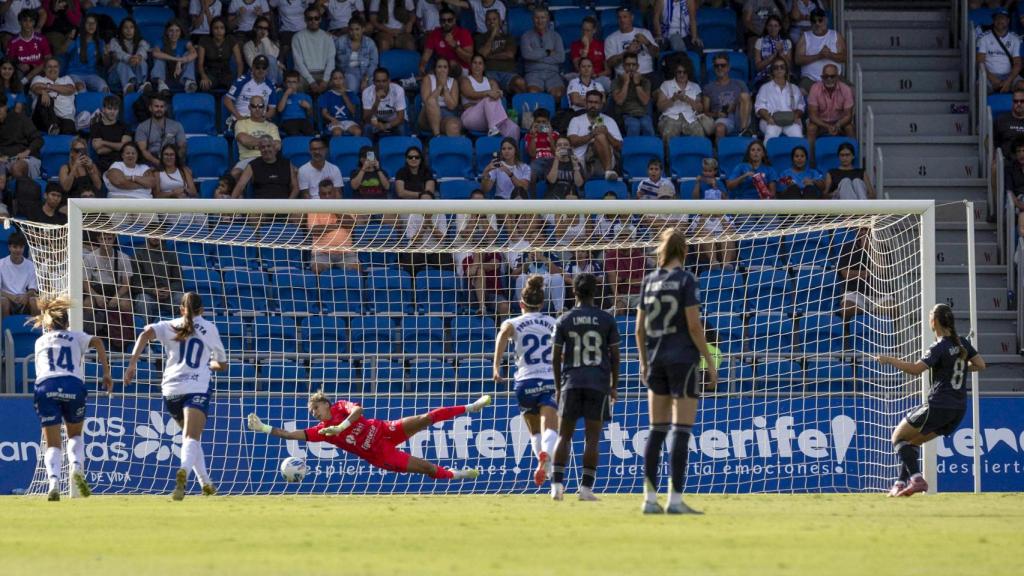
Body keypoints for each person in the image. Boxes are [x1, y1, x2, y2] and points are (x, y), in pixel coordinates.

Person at [637, 228, 717, 514]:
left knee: (656, 430)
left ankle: (648, 500)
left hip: (656, 360)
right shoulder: (686, 280)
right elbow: (694, 326)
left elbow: (638, 329)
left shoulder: (649, 281)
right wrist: (708, 360)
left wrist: (645, 363)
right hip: (682, 359)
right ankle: (675, 500)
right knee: (681, 430)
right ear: (684, 251)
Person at [248, 391, 491, 480]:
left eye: (315, 408)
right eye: (311, 412)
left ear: (325, 403)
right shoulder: (322, 432)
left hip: (385, 430)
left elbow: (358, 411)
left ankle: (471, 407)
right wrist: (265, 428)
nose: (313, 414)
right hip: (380, 453)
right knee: (427, 467)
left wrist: (341, 428)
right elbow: (291, 434)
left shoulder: (341, 407)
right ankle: (457, 474)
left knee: (426, 418)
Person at [876, 304, 986, 497]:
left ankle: (917, 479)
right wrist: (955, 368)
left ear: (933, 322)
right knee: (912, 443)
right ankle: (900, 483)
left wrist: (890, 360)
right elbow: (980, 365)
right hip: (958, 409)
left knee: (897, 437)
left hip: (938, 405)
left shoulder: (939, 346)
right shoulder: (962, 343)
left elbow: (915, 369)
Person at [125, 292, 227, 499]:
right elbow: (222, 364)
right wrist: (209, 364)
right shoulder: (209, 328)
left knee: (191, 438)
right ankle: (184, 473)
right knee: (191, 437)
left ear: (181, 309)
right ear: (202, 310)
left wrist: (133, 363)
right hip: (196, 388)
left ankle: (206, 484)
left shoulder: (168, 325)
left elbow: (144, 334)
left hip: (171, 389)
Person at [31, 294, 112, 501]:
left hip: (46, 386)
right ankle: (76, 468)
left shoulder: (40, 341)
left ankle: (53, 483)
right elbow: (99, 342)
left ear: (48, 324)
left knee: (52, 444)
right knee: (75, 436)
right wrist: (106, 373)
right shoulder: (77, 336)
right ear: (67, 323)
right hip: (72, 385)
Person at [550, 272, 620, 502]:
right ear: (596, 291)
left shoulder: (564, 319)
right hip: (598, 383)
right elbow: (616, 356)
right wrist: (614, 385)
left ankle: (557, 487)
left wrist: (559, 385)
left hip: (571, 381)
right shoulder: (607, 319)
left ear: (574, 291)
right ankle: (586, 489)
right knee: (592, 438)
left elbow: (556, 356)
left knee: (564, 435)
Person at [493, 274, 560, 487]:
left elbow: (503, 334)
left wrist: (496, 367)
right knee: (552, 427)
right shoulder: (553, 322)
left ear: (521, 303)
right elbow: (563, 350)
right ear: (542, 303)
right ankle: (546, 458)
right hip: (550, 379)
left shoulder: (513, 323)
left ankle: (543, 462)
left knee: (534, 431)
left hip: (525, 382)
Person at [459, 54, 518, 140]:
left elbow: (496, 95)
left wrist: (498, 93)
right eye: (474, 63)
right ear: (470, 65)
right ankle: (493, 128)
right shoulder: (466, 80)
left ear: (484, 67)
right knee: (488, 99)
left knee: (514, 128)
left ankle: (513, 150)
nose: (477, 66)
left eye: (480, 63)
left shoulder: (491, 82)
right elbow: (470, 94)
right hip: (470, 118)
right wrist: (487, 93)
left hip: (488, 119)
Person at [690, 158, 736, 269]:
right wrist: (697, 183)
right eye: (705, 171)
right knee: (705, 234)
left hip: (720, 216)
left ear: (715, 171)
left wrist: (716, 187)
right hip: (704, 218)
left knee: (727, 235)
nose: (708, 173)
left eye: (710, 171)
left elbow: (726, 199)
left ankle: (726, 263)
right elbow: (695, 198)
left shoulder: (719, 183)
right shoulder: (698, 216)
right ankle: (713, 262)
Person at [567, 90, 623, 181]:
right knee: (598, 135)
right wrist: (592, 134)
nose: (593, 105)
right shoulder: (576, 120)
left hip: (604, 163)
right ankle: (608, 173)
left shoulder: (610, 121)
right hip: (580, 164)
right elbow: (572, 142)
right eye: (590, 102)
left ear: (601, 105)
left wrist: (607, 133)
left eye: (596, 102)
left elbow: (619, 147)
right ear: (585, 103)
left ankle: (608, 172)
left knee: (601, 136)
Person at [806, 63, 854, 158]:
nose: (829, 79)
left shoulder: (846, 89)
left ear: (838, 77)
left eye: (832, 76)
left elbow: (848, 115)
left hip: (840, 123)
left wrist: (837, 125)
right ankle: (811, 162)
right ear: (822, 77)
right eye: (826, 76)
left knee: (850, 128)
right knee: (811, 128)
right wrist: (827, 126)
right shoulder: (815, 88)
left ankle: (852, 161)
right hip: (820, 123)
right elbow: (812, 115)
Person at [656, 58, 710, 142]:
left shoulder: (695, 86)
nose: (682, 74)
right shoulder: (666, 84)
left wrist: (687, 99)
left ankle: (700, 155)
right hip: (670, 117)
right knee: (668, 132)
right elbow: (659, 107)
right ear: (675, 73)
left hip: (690, 118)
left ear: (688, 73)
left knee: (699, 133)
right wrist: (673, 99)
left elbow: (700, 108)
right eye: (679, 72)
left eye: (684, 72)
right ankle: (668, 155)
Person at [474, 8, 526, 95]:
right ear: (485, 22)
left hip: (508, 72)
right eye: (489, 20)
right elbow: (482, 55)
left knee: (520, 83)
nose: (491, 22)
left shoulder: (508, 37)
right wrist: (492, 36)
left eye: (494, 19)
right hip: (490, 72)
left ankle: (521, 107)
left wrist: (489, 56)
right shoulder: (480, 38)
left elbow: (509, 55)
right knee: (493, 87)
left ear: (500, 22)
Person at [133, 235, 184, 321]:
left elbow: (179, 281)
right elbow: (135, 284)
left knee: (183, 299)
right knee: (143, 301)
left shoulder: (171, 255)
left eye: (158, 234)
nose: (155, 237)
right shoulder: (138, 255)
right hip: (149, 296)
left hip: (169, 295)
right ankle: (146, 331)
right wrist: (152, 291)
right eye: (153, 234)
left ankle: (184, 330)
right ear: (147, 236)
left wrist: (169, 290)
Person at [520, 6, 566, 101]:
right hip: (533, 73)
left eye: (543, 17)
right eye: (537, 18)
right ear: (532, 19)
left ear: (548, 19)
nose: (540, 21)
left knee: (558, 94)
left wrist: (535, 56)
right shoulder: (526, 36)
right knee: (533, 93)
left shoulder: (556, 36)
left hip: (552, 73)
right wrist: (548, 52)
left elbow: (561, 58)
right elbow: (527, 55)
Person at [703, 52, 752, 140]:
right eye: (717, 66)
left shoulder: (740, 83)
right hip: (723, 118)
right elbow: (705, 112)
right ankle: (719, 153)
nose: (720, 68)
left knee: (744, 96)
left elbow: (747, 102)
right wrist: (717, 114)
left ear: (728, 67)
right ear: (714, 68)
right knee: (719, 128)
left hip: (741, 115)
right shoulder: (708, 87)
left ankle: (743, 130)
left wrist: (734, 105)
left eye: (723, 65)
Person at [232, 135, 299, 200]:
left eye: (268, 146)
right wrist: (229, 204)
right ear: (260, 150)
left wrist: (288, 203)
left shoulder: (287, 163)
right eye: (263, 147)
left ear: (274, 147)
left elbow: (295, 188)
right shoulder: (253, 165)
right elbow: (240, 186)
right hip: (261, 207)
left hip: (283, 205)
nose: (266, 149)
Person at [794, 8, 845, 92]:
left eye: (820, 20)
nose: (817, 23)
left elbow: (843, 57)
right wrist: (818, 56)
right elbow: (798, 60)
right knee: (800, 91)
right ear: (811, 23)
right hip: (810, 80)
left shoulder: (835, 35)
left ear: (826, 20)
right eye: (814, 21)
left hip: (834, 78)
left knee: (851, 89)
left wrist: (830, 55)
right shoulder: (805, 36)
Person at [755, 56, 805, 140]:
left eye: (782, 67)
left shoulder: (794, 88)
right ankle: (767, 153)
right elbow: (759, 107)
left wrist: (796, 116)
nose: (779, 69)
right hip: (771, 120)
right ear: (772, 71)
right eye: (776, 67)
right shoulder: (765, 88)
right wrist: (768, 118)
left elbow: (801, 106)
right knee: (771, 134)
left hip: (790, 120)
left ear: (786, 70)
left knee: (798, 134)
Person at [605, 7, 659, 82]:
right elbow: (610, 63)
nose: (622, 20)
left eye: (625, 17)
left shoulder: (645, 33)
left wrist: (647, 43)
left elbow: (657, 54)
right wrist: (627, 52)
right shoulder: (611, 38)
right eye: (619, 17)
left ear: (632, 17)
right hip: (624, 76)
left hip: (647, 74)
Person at [231, 94, 280, 176]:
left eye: (260, 106)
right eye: (254, 106)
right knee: (234, 173)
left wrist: (253, 144)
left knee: (293, 171)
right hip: (248, 159)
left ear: (264, 108)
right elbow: (244, 140)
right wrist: (267, 144)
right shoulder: (241, 123)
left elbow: (277, 146)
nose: (257, 109)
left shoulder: (272, 126)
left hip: (268, 159)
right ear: (249, 107)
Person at [135, 93, 187, 167]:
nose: (159, 109)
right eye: (156, 106)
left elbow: (182, 146)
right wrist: (158, 162)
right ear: (150, 108)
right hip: (152, 160)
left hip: (172, 158)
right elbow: (142, 150)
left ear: (165, 108)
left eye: (162, 107)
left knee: (188, 172)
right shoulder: (142, 127)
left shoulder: (177, 125)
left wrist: (174, 160)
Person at [0, 92, 43, 179]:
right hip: (5, 160)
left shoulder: (20, 118)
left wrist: (26, 152)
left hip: (26, 158)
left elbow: (38, 139)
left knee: (16, 168)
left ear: (4, 107)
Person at [292, 6, 335, 95]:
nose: (313, 21)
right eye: (310, 19)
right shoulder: (297, 37)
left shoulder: (328, 37)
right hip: (304, 75)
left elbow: (331, 60)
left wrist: (325, 80)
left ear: (320, 19)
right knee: (295, 86)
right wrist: (311, 81)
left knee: (338, 84)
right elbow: (298, 63)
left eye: (316, 18)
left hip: (324, 73)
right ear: (305, 20)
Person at [977, 8, 1021, 93]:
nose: (1000, 20)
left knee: (1022, 85)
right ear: (993, 21)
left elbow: (1018, 64)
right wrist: (993, 79)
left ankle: (1018, 106)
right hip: (989, 75)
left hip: (1009, 75)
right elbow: (980, 62)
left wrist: (1008, 82)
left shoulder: (1015, 39)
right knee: (980, 88)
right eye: (997, 18)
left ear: (1008, 21)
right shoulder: (984, 38)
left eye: (1003, 18)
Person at [419, 7, 472, 76]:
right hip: (442, 67)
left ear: (454, 20)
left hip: (462, 69)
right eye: (443, 20)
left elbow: (469, 59)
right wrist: (422, 64)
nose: (446, 23)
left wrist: (455, 46)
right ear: (439, 21)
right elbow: (427, 53)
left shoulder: (464, 33)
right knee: (437, 68)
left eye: (449, 20)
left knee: (450, 63)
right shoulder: (435, 33)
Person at [612, 52, 654, 138]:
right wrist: (626, 83)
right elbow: (619, 101)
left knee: (647, 126)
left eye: (633, 65)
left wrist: (637, 84)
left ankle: (650, 150)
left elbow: (645, 101)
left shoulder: (645, 81)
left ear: (637, 66)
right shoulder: (617, 81)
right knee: (634, 126)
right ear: (623, 66)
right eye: (628, 65)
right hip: (625, 114)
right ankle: (632, 151)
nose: (631, 68)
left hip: (643, 114)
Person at [29, 57, 76, 134]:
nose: (52, 69)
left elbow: (70, 90)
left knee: (69, 131)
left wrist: (47, 87)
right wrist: (43, 92)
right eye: (49, 67)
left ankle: (55, 128)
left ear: (59, 68)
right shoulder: (39, 78)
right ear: (44, 69)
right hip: (42, 118)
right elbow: (35, 87)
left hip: (65, 117)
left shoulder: (66, 79)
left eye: (55, 66)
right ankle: (52, 125)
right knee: (43, 97)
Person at [418, 56, 462, 137]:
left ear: (448, 70)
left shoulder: (453, 82)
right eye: (439, 67)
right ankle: (437, 136)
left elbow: (452, 106)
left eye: (445, 67)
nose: (442, 70)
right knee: (431, 102)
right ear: (435, 69)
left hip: (446, 114)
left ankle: (451, 148)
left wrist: (445, 86)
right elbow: (426, 101)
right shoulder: (428, 78)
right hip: (427, 115)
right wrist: (439, 87)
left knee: (453, 126)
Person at [63, 14, 108, 93]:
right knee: (81, 88)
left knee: (104, 88)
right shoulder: (77, 39)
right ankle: (86, 105)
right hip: (74, 73)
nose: (91, 25)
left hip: (92, 74)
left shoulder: (100, 42)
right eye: (88, 23)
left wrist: (106, 54)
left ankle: (101, 106)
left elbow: (106, 64)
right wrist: (70, 38)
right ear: (83, 25)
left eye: (93, 23)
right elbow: (63, 51)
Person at [224, 53, 275, 123]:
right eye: (258, 67)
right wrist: (238, 116)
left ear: (267, 69)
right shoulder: (242, 81)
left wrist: (264, 118)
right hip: (242, 119)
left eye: (264, 68)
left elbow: (272, 109)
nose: (261, 70)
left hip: (260, 121)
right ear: (252, 68)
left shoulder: (271, 86)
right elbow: (227, 100)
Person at [150, 20, 198, 94]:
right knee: (160, 57)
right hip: (165, 73)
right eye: (171, 31)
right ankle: (161, 84)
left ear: (180, 32)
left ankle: (189, 82)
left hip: (180, 74)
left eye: (177, 31)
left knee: (188, 54)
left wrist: (181, 61)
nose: (174, 33)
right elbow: (155, 53)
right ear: (167, 32)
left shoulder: (185, 42)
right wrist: (177, 59)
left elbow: (194, 53)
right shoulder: (160, 41)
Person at [198, 16, 243, 92]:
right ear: (211, 30)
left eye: (222, 28)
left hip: (226, 73)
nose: (219, 31)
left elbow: (239, 62)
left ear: (225, 29)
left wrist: (239, 79)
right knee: (204, 86)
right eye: (216, 28)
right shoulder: (204, 40)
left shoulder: (231, 39)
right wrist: (204, 76)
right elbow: (200, 64)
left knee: (236, 88)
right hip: (210, 72)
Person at [334, 15, 377, 92]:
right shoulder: (340, 42)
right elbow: (332, 59)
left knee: (371, 89)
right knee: (352, 88)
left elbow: (374, 63)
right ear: (348, 29)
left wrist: (366, 78)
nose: (354, 32)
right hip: (348, 73)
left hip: (366, 73)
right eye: (351, 29)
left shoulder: (370, 43)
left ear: (363, 29)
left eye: (357, 29)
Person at [361, 67, 407, 138]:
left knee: (401, 128)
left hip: (394, 121)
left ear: (389, 81)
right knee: (367, 128)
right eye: (378, 81)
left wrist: (386, 126)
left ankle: (403, 148)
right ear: (373, 82)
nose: (381, 84)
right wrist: (377, 101)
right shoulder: (367, 92)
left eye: (384, 81)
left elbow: (400, 118)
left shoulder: (398, 90)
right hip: (376, 121)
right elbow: (366, 119)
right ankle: (369, 148)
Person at [0, 231, 39, 315]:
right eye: (15, 247)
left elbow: (32, 289)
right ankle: (6, 327)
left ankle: (36, 328)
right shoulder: (1, 264)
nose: (18, 250)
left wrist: (26, 296)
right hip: (7, 298)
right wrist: (11, 297)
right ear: (9, 247)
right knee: (3, 302)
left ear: (24, 248)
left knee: (35, 301)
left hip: (24, 299)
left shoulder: (30, 265)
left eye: (21, 247)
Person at [89, 95, 131, 174]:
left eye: (115, 109)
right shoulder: (96, 127)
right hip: (106, 165)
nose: (112, 112)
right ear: (103, 109)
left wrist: (104, 142)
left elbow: (126, 147)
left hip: (124, 163)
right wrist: (119, 145)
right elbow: (99, 150)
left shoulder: (124, 126)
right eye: (109, 108)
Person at [107, 17, 149, 95]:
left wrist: (138, 57)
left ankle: (141, 85)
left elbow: (143, 49)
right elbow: (119, 53)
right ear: (121, 30)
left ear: (135, 29)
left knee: (142, 61)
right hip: (116, 80)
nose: (129, 30)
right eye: (125, 28)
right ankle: (129, 86)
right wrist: (129, 58)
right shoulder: (114, 41)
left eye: (131, 27)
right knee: (122, 64)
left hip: (136, 79)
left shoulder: (141, 41)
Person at [8, 9, 51, 84]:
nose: (28, 24)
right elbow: (9, 61)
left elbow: (48, 58)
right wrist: (18, 64)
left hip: (38, 71)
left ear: (34, 23)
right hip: (22, 72)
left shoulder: (41, 39)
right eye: (25, 20)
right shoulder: (13, 42)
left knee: (50, 69)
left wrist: (30, 74)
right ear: (19, 22)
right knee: (16, 74)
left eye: (31, 21)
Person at [269, 69, 316, 136]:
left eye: (294, 82)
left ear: (298, 83)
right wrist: (286, 95)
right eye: (289, 82)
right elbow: (279, 110)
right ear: (285, 83)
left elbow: (310, 115)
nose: (291, 84)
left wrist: (308, 107)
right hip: (287, 120)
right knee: (294, 132)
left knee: (310, 132)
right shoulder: (281, 95)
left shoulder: (305, 96)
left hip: (302, 120)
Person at [752, 15, 792, 88]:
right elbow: (758, 67)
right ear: (766, 27)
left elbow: (788, 66)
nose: (773, 29)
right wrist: (773, 56)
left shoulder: (787, 42)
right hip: (765, 75)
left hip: (783, 74)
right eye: (770, 25)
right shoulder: (760, 41)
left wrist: (781, 52)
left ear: (780, 27)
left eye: (776, 26)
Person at [318, 69, 361, 137]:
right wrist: (333, 119)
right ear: (331, 81)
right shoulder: (326, 95)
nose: (338, 81)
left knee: (357, 131)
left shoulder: (351, 94)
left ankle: (354, 147)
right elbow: (324, 113)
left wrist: (344, 94)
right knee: (337, 132)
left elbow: (353, 111)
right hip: (333, 121)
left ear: (344, 79)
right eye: (335, 78)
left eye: (340, 78)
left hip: (348, 121)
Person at [524, 108, 557, 195]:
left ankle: (551, 201)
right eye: (538, 122)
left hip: (552, 160)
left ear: (548, 122)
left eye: (544, 122)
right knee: (530, 176)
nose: (541, 124)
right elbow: (532, 154)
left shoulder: (555, 134)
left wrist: (550, 136)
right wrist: (534, 136)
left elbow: (556, 154)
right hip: (536, 161)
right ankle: (533, 204)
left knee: (553, 178)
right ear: (534, 122)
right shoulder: (529, 135)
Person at [242, 17, 284, 85]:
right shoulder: (247, 45)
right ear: (255, 28)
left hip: (275, 75)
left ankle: (271, 86)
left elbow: (272, 59)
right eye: (260, 28)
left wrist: (264, 39)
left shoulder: (273, 42)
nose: (263, 31)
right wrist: (278, 63)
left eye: (265, 28)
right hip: (256, 73)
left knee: (271, 59)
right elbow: (252, 64)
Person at [995, 86, 1024, 158]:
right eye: (1016, 101)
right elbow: (991, 143)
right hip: (1007, 163)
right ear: (1012, 102)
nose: (1019, 104)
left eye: (1022, 101)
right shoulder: (1001, 120)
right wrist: (994, 160)